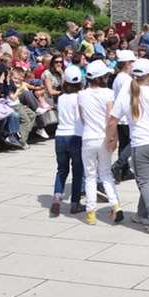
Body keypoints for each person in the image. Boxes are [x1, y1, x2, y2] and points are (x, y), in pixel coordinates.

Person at [108, 58, 149, 234]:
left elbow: (113, 119)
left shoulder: (128, 95)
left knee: (144, 182)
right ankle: (142, 213)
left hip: (142, 144)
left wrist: (110, 139)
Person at [79, 60, 123, 225]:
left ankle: (90, 212)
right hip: (104, 136)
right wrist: (113, 138)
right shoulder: (109, 93)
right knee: (105, 174)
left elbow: (82, 118)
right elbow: (110, 118)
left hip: (88, 137)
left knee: (90, 176)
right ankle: (116, 204)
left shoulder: (82, 95)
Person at [50, 66, 85, 217]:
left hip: (60, 135)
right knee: (77, 171)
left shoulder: (62, 97)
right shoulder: (82, 96)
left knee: (62, 169)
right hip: (76, 135)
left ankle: (57, 197)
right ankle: (75, 203)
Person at [110, 49, 136, 182]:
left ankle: (124, 171)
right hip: (126, 116)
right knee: (132, 142)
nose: (133, 64)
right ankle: (119, 165)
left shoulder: (119, 78)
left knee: (124, 143)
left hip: (121, 116)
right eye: (132, 62)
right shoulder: (126, 79)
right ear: (126, 64)